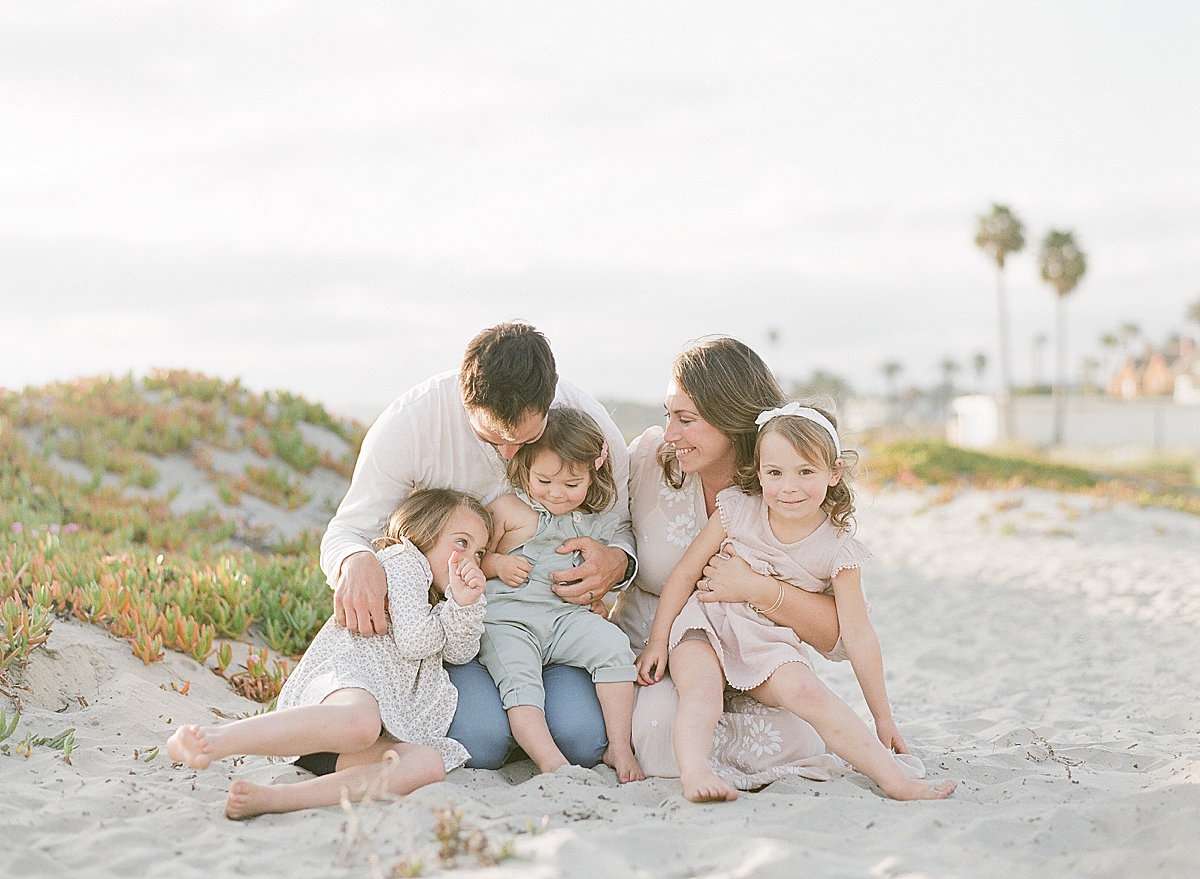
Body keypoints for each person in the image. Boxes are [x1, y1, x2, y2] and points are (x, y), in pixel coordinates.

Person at [321, 323, 636, 769]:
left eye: (524, 441)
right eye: (493, 439)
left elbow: (621, 523)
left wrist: (617, 562)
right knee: (482, 742)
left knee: (583, 741)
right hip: (455, 629)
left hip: (558, 615)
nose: (510, 454)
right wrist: (355, 561)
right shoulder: (411, 424)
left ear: (551, 401)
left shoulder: (587, 425)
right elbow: (348, 529)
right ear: (465, 400)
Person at [637, 406, 957, 802]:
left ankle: (896, 781)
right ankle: (696, 771)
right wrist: (657, 641)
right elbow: (685, 575)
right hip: (706, 624)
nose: (789, 487)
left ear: (833, 473)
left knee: (808, 690)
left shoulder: (839, 550)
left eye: (805, 472)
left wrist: (883, 716)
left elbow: (857, 636)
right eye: (775, 473)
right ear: (758, 473)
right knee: (702, 691)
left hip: (768, 642)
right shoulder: (738, 509)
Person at [166, 489, 491, 818]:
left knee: (427, 763)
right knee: (361, 723)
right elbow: (415, 641)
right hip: (340, 695)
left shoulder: (439, 596)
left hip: (343, 742)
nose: (470, 559)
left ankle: (280, 797)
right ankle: (213, 738)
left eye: (480, 553)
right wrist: (451, 612)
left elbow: (459, 652)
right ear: (423, 531)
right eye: (462, 543)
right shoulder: (405, 560)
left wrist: (464, 605)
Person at [611, 338, 845, 789]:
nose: (670, 433)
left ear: (731, 419)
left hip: (751, 657)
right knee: (660, 739)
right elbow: (610, 529)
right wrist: (614, 558)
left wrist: (758, 588)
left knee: (800, 741)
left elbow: (837, 636)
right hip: (654, 654)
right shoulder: (647, 459)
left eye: (686, 419)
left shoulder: (785, 485)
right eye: (668, 414)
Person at [479, 408, 643, 782]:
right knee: (521, 683)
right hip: (509, 621)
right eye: (545, 480)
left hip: (564, 619)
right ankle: (550, 761)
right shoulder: (507, 509)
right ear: (524, 467)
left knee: (613, 645)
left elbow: (592, 572)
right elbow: (473, 559)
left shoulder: (589, 519)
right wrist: (497, 565)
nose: (557, 493)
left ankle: (619, 745)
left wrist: (595, 598)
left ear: (591, 476)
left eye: (572, 484)